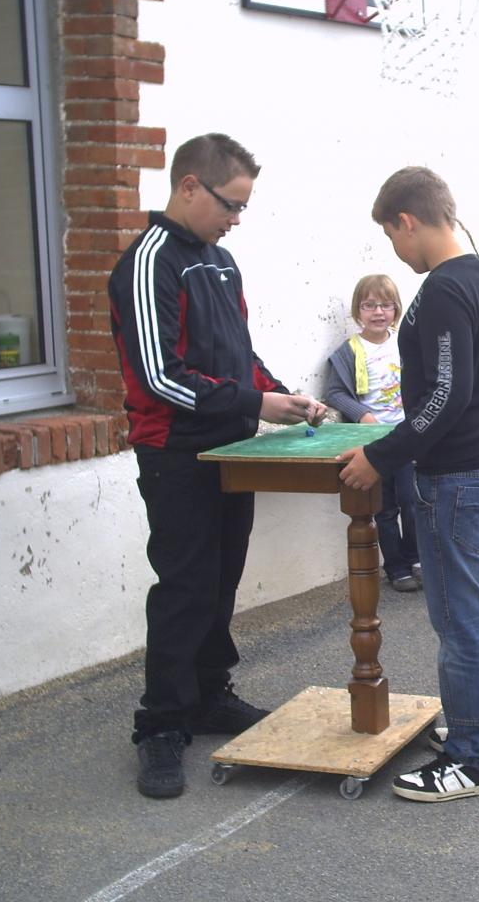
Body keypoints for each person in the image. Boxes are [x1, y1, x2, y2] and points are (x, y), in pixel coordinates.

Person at [108, 133, 328, 799]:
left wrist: (279, 396)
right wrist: (253, 400)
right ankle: (160, 724)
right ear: (189, 188)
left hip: (233, 448)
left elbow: (239, 356)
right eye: (231, 204)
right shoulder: (147, 264)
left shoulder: (223, 263)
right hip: (176, 452)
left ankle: (208, 696)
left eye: (243, 207)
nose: (236, 219)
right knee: (185, 584)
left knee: (222, 576)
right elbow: (158, 379)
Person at [337, 166, 479, 799]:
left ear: (407, 221)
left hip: (461, 477)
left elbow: (446, 394)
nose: (395, 252)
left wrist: (382, 456)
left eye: (391, 237)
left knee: (460, 619)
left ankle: (473, 759)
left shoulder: (444, 290)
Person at [324, 273, 421, 592]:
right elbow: (336, 393)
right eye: (369, 305)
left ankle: (414, 558)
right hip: (372, 444)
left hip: (406, 438)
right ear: (357, 311)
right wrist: (362, 415)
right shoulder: (349, 351)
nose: (378, 312)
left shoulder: (407, 342)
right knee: (385, 508)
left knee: (413, 501)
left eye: (386, 305)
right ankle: (396, 568)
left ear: (396, 309)